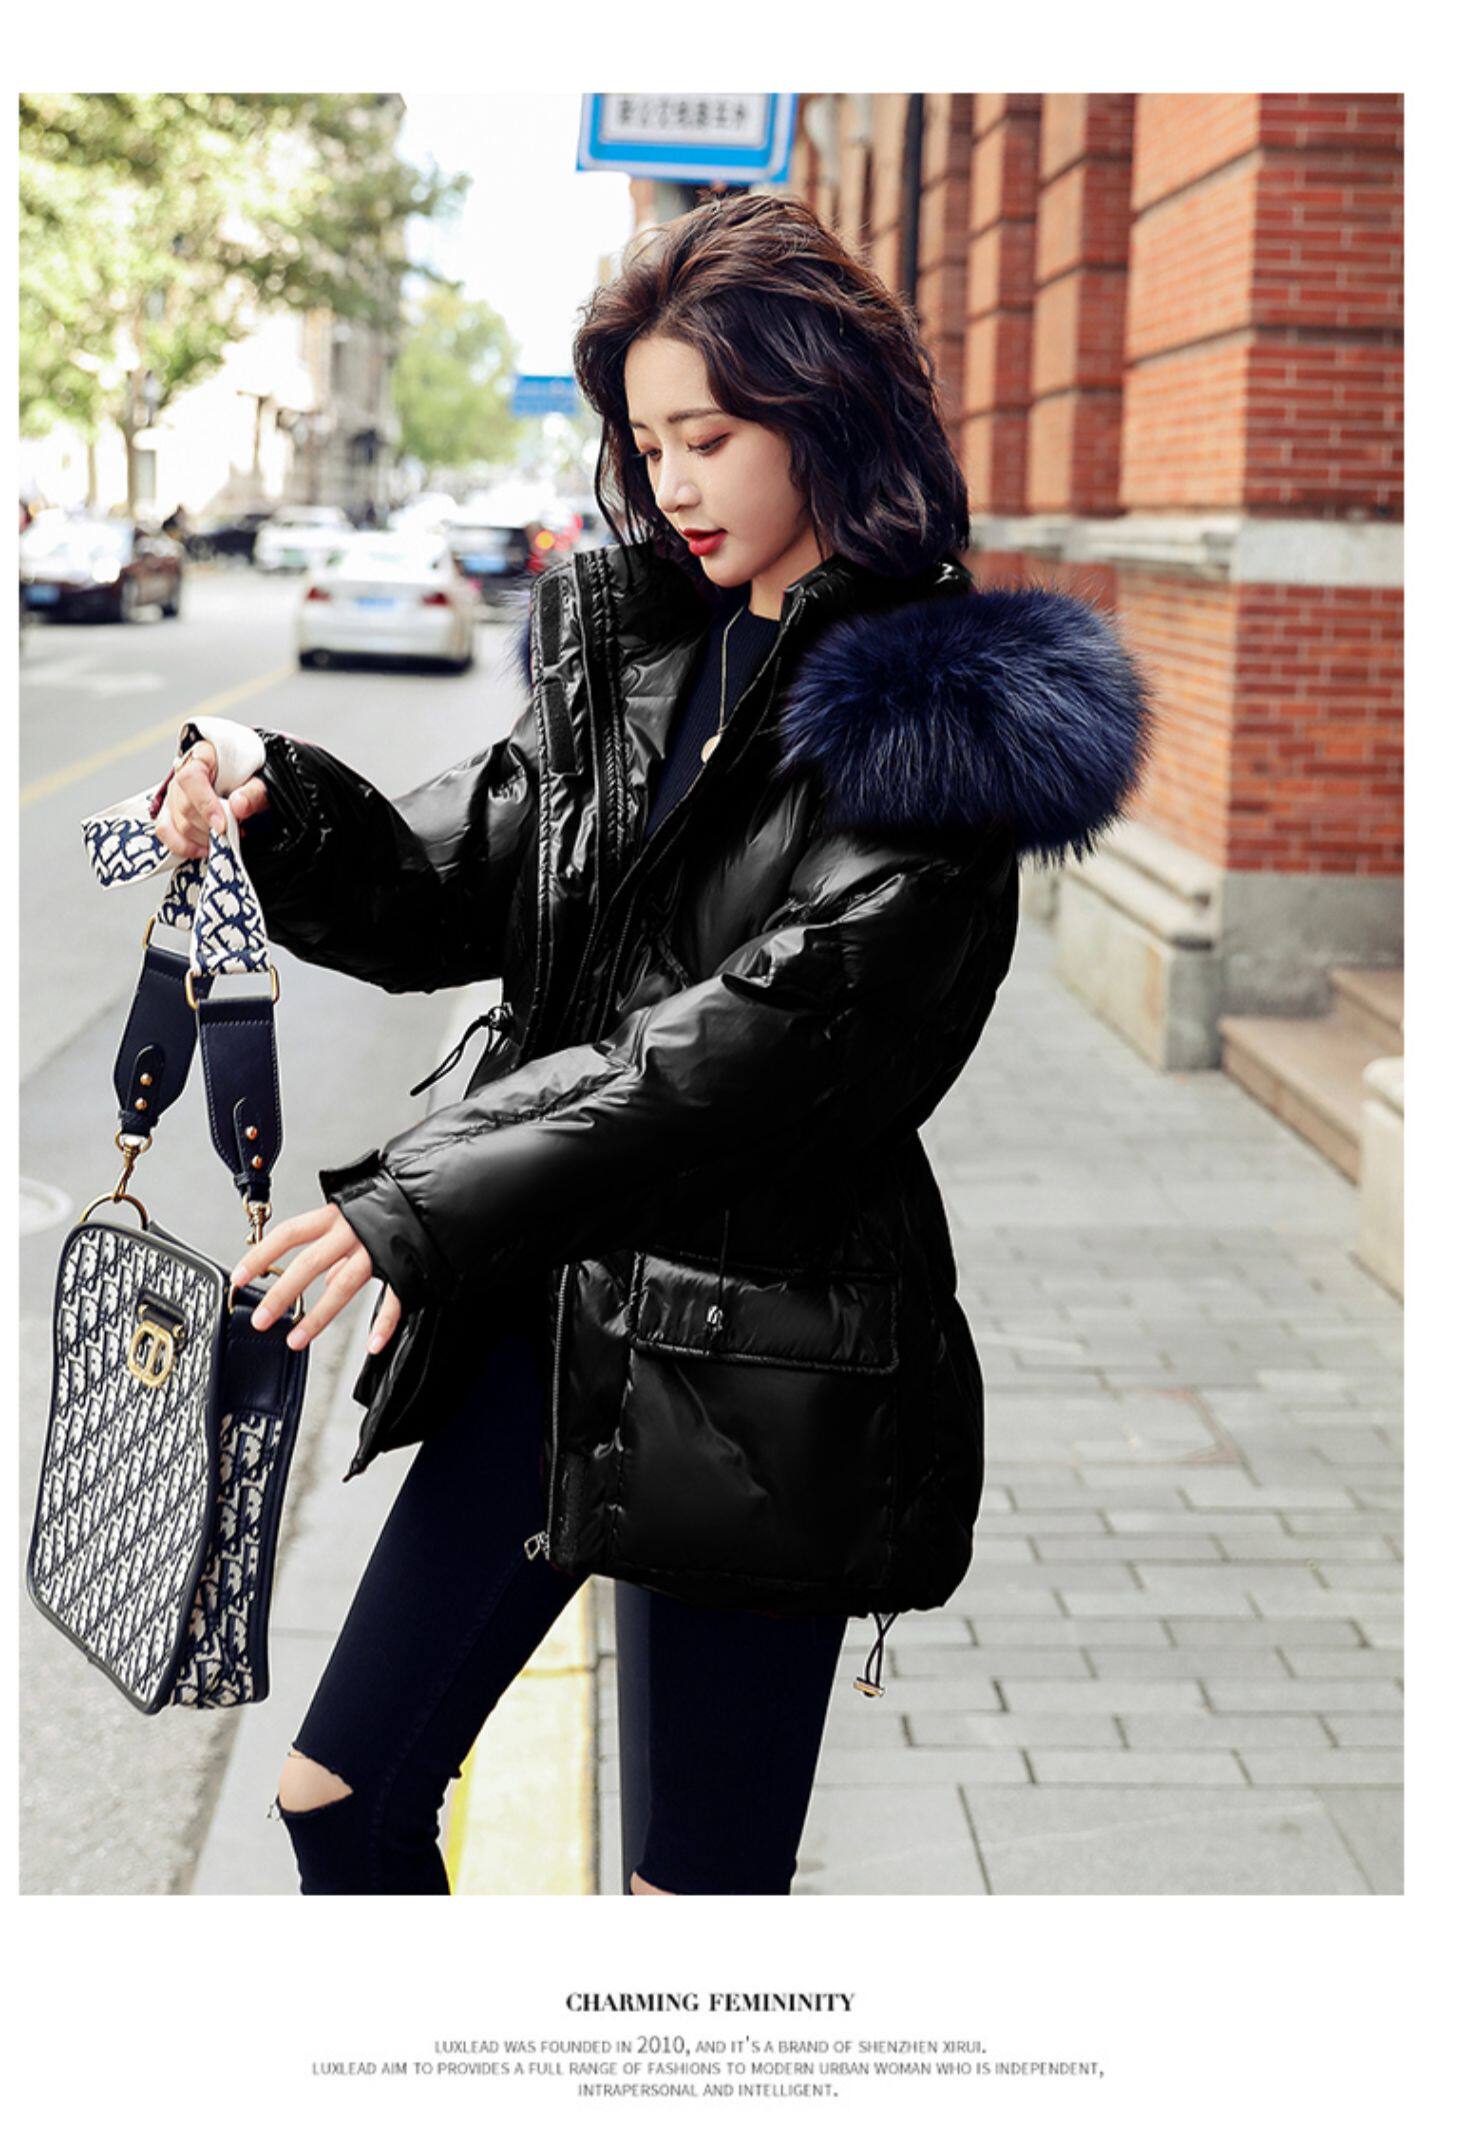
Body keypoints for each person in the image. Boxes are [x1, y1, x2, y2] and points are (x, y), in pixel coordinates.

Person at [152, 194, 1151, 1896]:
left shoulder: (941, 725)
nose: (673, 480)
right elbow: (461, 872)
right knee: (338, 1796)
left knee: (684, 1914)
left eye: (712, 435)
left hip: (757, 1363)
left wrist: (417, 1196)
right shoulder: (650, 652)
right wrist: (274, 800)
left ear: (827, 420)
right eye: (649, 440)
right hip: (552, 1316)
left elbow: (738, 1049)